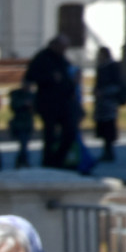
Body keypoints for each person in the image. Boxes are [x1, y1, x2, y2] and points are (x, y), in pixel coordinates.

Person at [27, 37, 78, 169]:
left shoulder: (62, 59)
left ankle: (58, 159)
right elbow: (30, 76)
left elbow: (68, 77)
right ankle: (49, 162)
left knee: (70, 132)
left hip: (64, 103)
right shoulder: (42, 58)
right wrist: (50, 78)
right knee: (50, 134)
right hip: (48, 103)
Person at [93, 47, 126, 164]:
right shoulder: (101, 67)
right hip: (102, 103)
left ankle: (109, 151)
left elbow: (117, 85)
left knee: (109, 127)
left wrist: (104, 92)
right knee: (104, 127)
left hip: (109, 102)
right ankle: (106, 150)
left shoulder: (112, 67)